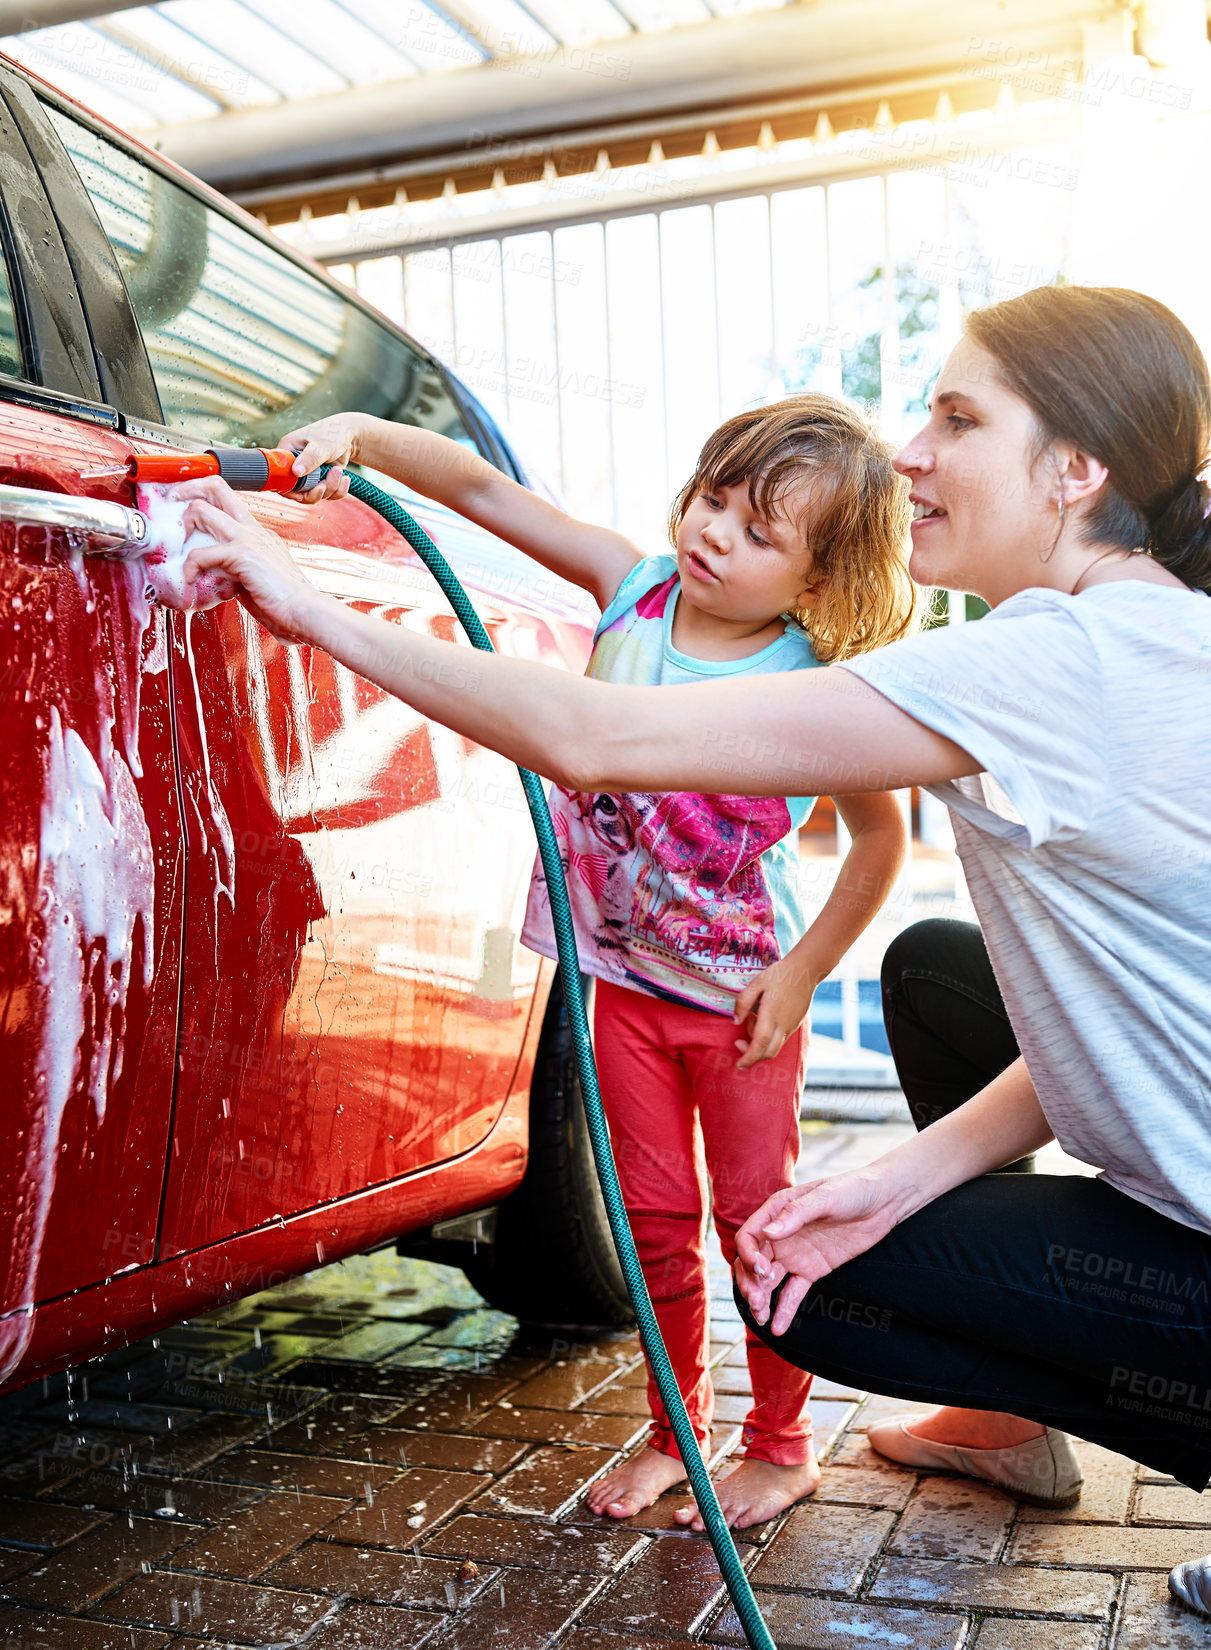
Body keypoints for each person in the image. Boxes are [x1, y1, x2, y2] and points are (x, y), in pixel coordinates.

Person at [174, 284, 1211, 1606]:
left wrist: (304, 602)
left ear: (1074, 469)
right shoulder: (1135, 632)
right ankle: (998, 1417)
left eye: (955, 416)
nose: (908, 451)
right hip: (647, 990)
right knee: (933, 979)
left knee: (801, 1287)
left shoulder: (1055, 661)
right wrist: (900, 1174)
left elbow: (595, 739)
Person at [223, 397, 917, 1530]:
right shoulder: (631, 587)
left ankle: (781, 1444)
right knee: (649, 1225)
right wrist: (365, 434)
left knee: (753, 1223)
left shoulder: (810, 678)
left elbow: (881, 843)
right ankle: (673, 1436)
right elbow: (487, 495)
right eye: (713, 497)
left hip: (740, 1004)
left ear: (815, 586)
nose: (712, 533)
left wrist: (800, 977)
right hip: (621, 987)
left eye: (756, 534)